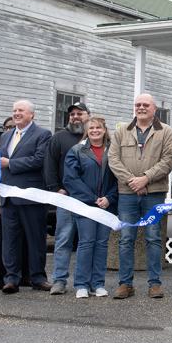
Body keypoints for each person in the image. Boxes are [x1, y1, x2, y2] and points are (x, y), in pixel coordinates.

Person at [108, 93, 172, 300]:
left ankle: (154, 284)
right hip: (128, 194)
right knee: (126, 238)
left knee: (153, 237)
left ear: (154, 108)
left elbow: (168, 160)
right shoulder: (121, 132)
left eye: (145, 105)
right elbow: (113, 160)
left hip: (153, 194)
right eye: (138, 104)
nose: (141, 107)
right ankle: (125, 284)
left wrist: (145, 179)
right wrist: (133, 182)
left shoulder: (165, 132)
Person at [0, 99, 53, 293]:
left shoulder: (43, 134)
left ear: (31, 114)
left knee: (35, 238)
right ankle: (11, 278)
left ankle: (38, 277)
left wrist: (11, 164)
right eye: (14, 110)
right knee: (10, 240)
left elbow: (39, 160)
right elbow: (0, 162)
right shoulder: (6, 137)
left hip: (31, 195)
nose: (16, 113)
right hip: (8, 197)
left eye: (21, 110)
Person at [63, 115, 118, 298]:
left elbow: (121, 177)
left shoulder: (113, 150)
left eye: (98, 128)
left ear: (104, 130)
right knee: (86, 243)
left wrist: (109, 198)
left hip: (106, 205)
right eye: (91, 128)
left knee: (102, 244)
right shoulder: (77, 150)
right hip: (86, 206)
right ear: (88, 130)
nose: (95, 131)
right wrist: (93, 198)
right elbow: (71, 180)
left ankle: (98, 284)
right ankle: (81, 284)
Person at [44, 101, 90, 295]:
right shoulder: (59, 138)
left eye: (80, 113)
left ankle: (84, 282)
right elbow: (50, 164)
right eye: (72, 114)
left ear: (88, 115)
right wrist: (55, 188)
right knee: (63, 240)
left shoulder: (95, 137)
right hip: (66, 198)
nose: (75, 117)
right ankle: (59, 280)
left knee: (87, 242)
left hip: (89, 200)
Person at [0, 117, 30, 290]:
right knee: (4, 242)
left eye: (13, 127)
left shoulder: (24, 147)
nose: (11, 130)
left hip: (23, 200)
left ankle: (23, 276)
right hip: (4, 202)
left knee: (24, 242)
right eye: (8, 127)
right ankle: (1, 278)